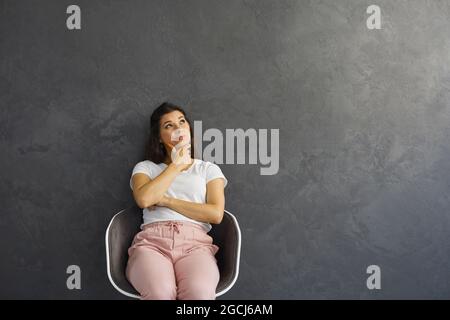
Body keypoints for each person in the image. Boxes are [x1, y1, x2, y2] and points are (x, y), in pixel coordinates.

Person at [126, 101, 228, 300]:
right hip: (152, 243)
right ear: (159, 137)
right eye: (168, 125)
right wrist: (175, 166)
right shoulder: (145, 168)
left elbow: (215, 214)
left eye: (181, 122)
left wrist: (166, 201)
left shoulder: (208, 169)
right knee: (160, 292)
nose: (178, 128)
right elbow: (144, 199)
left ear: (189, 128)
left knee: (199, 293)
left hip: (196, 245)